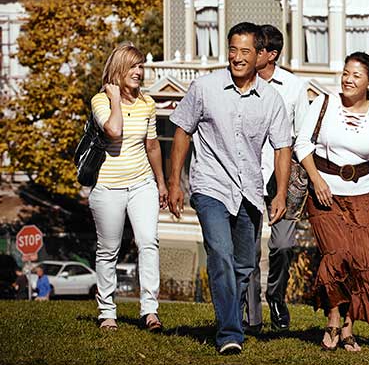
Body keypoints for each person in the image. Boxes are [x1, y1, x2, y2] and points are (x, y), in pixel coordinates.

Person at [167, 22, 292, 356]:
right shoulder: (205, 88)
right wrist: (174, 183)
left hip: (250, 190)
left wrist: (279, 193)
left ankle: (229, 316)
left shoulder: (271, 99)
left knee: (244, 266)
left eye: (245, 52)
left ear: (259, 56)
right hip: (210, 185)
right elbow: (181, 131)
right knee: (219, 254)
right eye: (233, 50)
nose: (237, 57)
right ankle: (229, 333)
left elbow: (282, 148)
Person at [294, 52, 369, 352]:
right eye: (345, 72)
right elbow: (301, 144)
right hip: (324, 195)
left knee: (359, 264)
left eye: (356, 75)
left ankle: (347, 328)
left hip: (362, 198)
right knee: (338, 254)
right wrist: (316, 181)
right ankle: (333, 318)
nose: (348, 79)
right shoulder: (323, 103)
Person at [89, 43, 167, 331]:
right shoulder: (101, 101)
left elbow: (153, 145)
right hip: (107, 187)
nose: (139, 71)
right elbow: (114, 130)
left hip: (141, 184)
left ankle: (150, 311)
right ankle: (107, 311)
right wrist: (115, 99)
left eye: (141, 66)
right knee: (109, 249)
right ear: (118, 69)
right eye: (133, 66)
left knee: (148, 242)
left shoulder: (147, 103)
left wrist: (161, 183)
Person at [244, 25, 309, 333]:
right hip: (247, 174)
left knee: (282, 245)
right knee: (249, 247)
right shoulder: (240, 84)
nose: (247, 54)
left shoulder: (295, 87)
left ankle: (276, 297)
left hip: (283, 177)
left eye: (255, 49)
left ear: (270, 55)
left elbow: (304, 136)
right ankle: (251, 313)